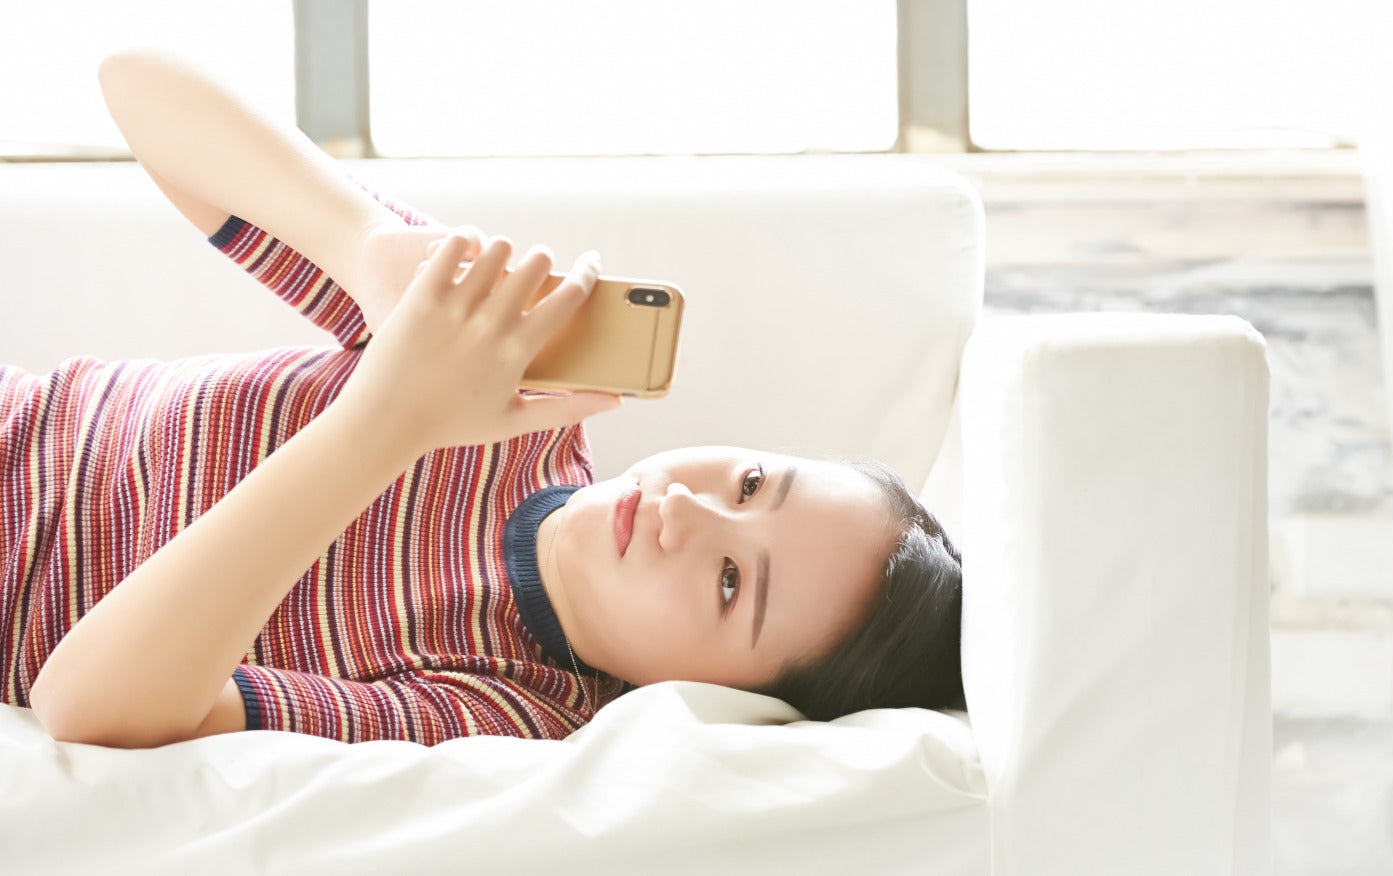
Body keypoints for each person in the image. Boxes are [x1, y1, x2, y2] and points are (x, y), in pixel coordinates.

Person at [1, 50, 963, 749]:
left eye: (728, 584)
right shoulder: (510, 375)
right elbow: (133, 83)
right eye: (753, 484)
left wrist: (385, 423)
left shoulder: (511, 706)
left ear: (729, 698)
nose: (684, 510)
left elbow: (83, 707)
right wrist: (367, 249)